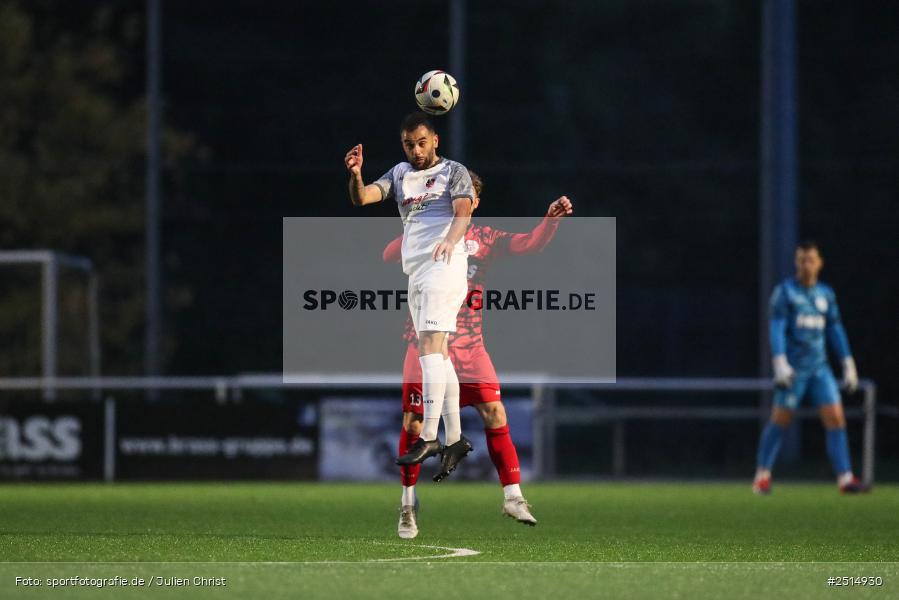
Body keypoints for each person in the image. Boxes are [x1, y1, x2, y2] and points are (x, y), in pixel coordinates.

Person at [385, 170, 573, 537]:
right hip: (424, 341)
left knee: (494, 411)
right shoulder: (424, 229)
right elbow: (388, 253)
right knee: (413, 423)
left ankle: (513, 496)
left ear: (474, 203)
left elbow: (528, 245)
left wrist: (549, 222)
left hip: (469, 346)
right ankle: (408, 503)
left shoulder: (485, 238)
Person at [345, 111, 475, 496]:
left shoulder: (454, 171)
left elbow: (464, 210)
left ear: (435, 139)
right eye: (408, 144)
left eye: (421, 142)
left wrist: (451, 239)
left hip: (444, 268)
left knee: (430, 350)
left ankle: (431, 435)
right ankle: (455, 439)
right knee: (440, 355)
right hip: (417, 272)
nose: (416, 151)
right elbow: (365, 197)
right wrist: (355, 174)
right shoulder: (401, 174)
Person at [753, 241, 868, 495]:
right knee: (780, 419)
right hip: (794, 370)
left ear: (819, 263)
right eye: (802, 259)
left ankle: (845, 478)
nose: (806, 264)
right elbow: (777, 328)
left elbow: (835, 329)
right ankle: (762, 475)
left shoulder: (825, 294)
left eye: (811, 259)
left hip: (820, 368)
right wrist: (780, 363)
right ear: (796, 262)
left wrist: (848, 363)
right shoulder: (785, 292)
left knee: (836, 418)